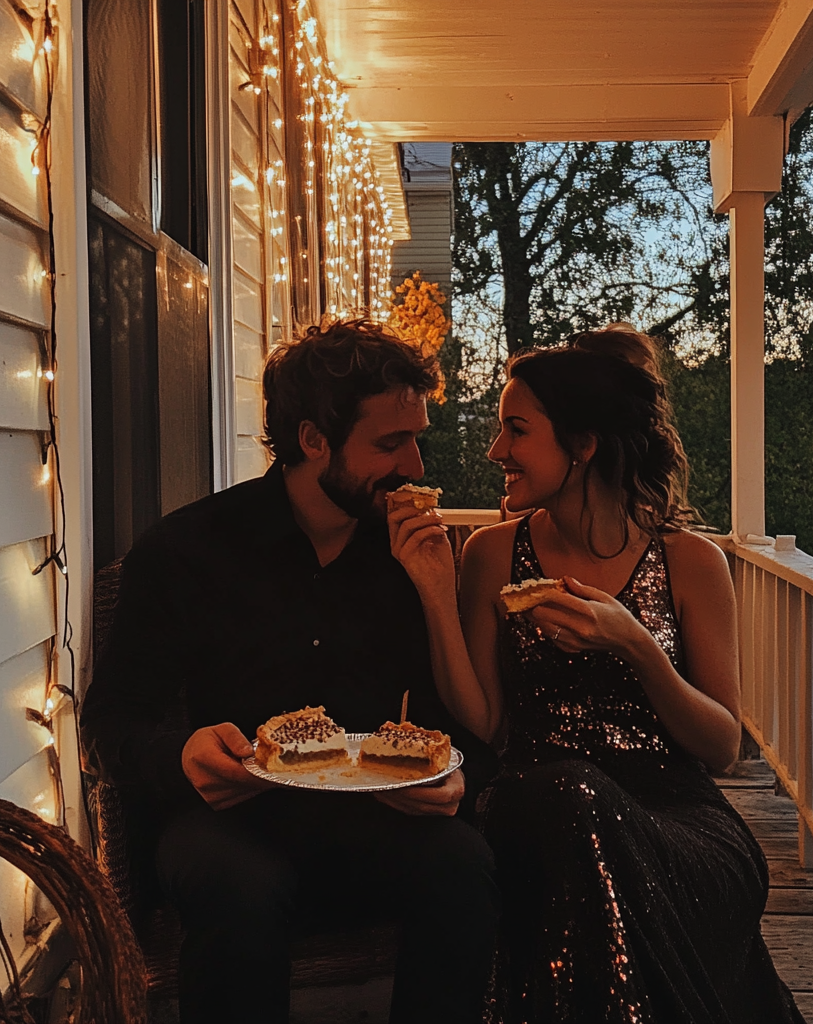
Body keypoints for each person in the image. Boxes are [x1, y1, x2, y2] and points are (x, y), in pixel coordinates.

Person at [79, 320, 499, 1024]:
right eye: (391, 444)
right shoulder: (185, 551)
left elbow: (460, 729)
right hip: (229, 824)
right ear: (313, 440)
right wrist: (180, 756)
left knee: (462, 865)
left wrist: (458, 778)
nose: (417, 467)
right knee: (236, 886)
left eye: (416, 438)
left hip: (373, 822)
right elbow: (111, 724)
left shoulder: (412, 555)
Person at [403, 326, 806, 1022]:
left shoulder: (689, 562)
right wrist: (437, 592)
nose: (496, 450)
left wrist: (637, 646)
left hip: (676, 821)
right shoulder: (494, 554)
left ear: (582, 446)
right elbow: (490, 723)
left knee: (592, 829)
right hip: (535, 803)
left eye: (516, 431)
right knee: (573, 794)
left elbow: (722, 746)